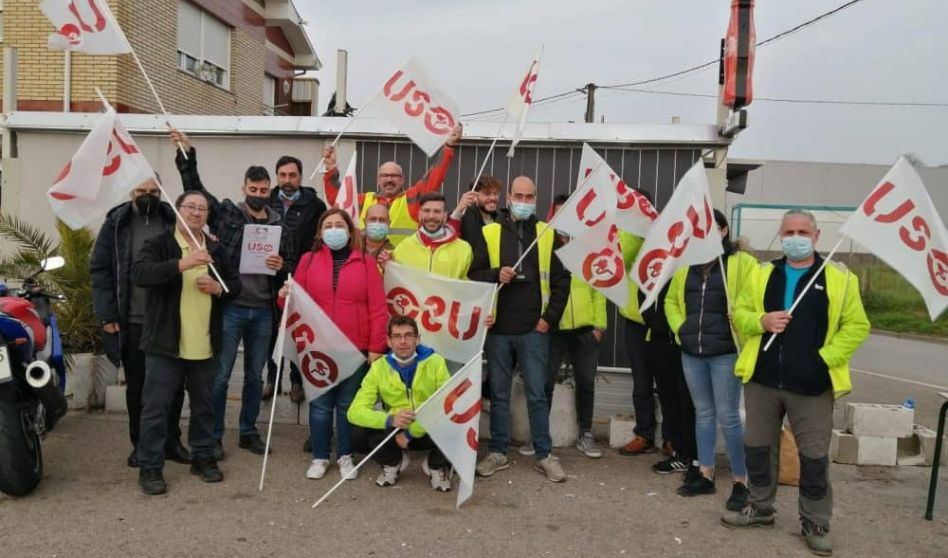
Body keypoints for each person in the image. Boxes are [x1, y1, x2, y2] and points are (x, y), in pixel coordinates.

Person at [721, 209, 870, 557]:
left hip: (813, 385)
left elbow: (857, 326)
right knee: (757, 447)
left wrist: (825, 359)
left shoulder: (837, 278)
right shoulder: (762, 273)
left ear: (817, 236)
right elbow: (739, 314)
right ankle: (759, 508)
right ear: (781, 235)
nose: (796, 237)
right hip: (762, 379)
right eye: (789, 231)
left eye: (803, 231)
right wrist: (761, 319)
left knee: (814, 456)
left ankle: (815, 520)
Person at [172, 130, 296, 459]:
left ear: (271, 192)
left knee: (255, 375)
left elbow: (290, 265)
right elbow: (196, 191)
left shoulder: (280, 224)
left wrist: (282, 264)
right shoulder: (227, 212)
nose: (258, 194)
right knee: (221, 375)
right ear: (244, 189)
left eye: (264, 190)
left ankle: (248, 431)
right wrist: (188, 156)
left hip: (263, 311)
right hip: (231, 306)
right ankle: (212, 435)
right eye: (253, 189)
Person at [131, 190, 239, 495]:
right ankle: (150, 466)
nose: (196, 213)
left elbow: (235, 285)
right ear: (178, 211)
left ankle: (203, 457)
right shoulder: (160, 243)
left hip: (204, 344)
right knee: (156, 409)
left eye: (202, 209)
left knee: (204, 407)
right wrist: (182, 263)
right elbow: (140, 274)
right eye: (190, 207)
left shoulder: (215, 248)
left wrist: (219, 289)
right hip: (165, 345)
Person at [469, 176, 570, 482]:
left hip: (533, 330)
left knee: (537, 394)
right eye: (519, 195)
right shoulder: (490, 233)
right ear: (508, 197)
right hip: (498, 329)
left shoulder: (546, 233)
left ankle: (544, 454)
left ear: (536, 198)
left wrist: (547, 320)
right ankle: (498, 452)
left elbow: (561, 282)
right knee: (499, 395)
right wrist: (495, 274)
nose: (524, 201)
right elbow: (473, 275)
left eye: (530, 196)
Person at [278, 208, 388, 481]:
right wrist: (284, 296)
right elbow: (294, 303)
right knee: (320, 405)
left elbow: (378, 308)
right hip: (319, 348)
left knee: (348, 405)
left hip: (355, 347)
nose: (334, 230)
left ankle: (345, 456)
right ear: (320, 232)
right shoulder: (308, 260)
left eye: (340, 225)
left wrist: (376, 347)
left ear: (350, 231)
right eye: (329, 225)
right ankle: (320, 456)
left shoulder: (365, 263)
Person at [91, 176, 190, 468]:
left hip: (170, 318)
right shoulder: (116, 222)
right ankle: (142, 445)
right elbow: (100, 270)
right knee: (138, 388)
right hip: (131, 320)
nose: (148, 195)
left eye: (154, 191)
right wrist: (107, 314)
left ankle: (171, 442)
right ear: (131, 190)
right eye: (142, 190)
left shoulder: (173, 219)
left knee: (174, 387)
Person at [664, 210, 757, 509]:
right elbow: (671, 302)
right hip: (693, 351)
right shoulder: (686, 265)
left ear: (724, 230)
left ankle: (741, 481)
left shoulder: (743, 263)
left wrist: (740, 317)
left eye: (710, 228)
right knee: (703, 414)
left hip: (726, 352)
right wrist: (681, 329)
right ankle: (705, 473)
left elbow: (755, 299)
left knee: (728, 417)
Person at [347, 316, 453, 490]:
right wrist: (390, 420)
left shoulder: (436, 362)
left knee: (459, 422)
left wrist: (411, 433)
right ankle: (393, 461)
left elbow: (446, 403)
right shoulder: (378, 367)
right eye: (397, 336)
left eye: (408, 335)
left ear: (417, 339)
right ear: (389, 341)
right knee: (357, 434)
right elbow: (354, 411)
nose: (403, 341)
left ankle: (436, 465)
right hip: (396, 426)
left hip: (427, 427)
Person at [321, 124, 463, 245]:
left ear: (403, 180)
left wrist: (448, 146)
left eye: (394, 176)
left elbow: (434, 177)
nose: (389, 179)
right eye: (385, 175)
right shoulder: (364, 200)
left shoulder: (411, 199)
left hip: (402, 269)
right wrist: (331, 168)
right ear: (378, 179)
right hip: (370, 267)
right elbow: (338, 198)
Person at [544, 194, 606, 459]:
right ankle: (540, 435)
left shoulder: (588, 247)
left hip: (584, 328)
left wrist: (599, 326)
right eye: (559, 212)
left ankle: (586, 433)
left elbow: (599, 287)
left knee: (586, 382)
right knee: (544, 381)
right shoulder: (544, 245)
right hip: (553, 327)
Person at [265, 154, 327, 404]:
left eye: (292, 175)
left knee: (299, 331)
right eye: (282, 175)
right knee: (273, 331)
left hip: (302, 276)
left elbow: (319, 239)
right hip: (270, 278)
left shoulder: (315, 205)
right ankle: (272, 379)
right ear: (277, 176)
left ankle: (297, 381)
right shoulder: (266, 201)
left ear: (300, 177)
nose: (287, 180)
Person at [391, 192, 474, 279]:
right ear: (419, 214)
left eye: (437, 211)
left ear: (445, 216)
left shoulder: (464, 249)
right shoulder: (403, 248)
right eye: (426, 211)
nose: (431, 216)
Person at [459, 175, 500, 246]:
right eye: (487, 194)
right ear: (474, 196)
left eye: (495, 194)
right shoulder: (465, 216)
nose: (493, 198)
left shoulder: (501, 218)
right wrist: (458, 210)